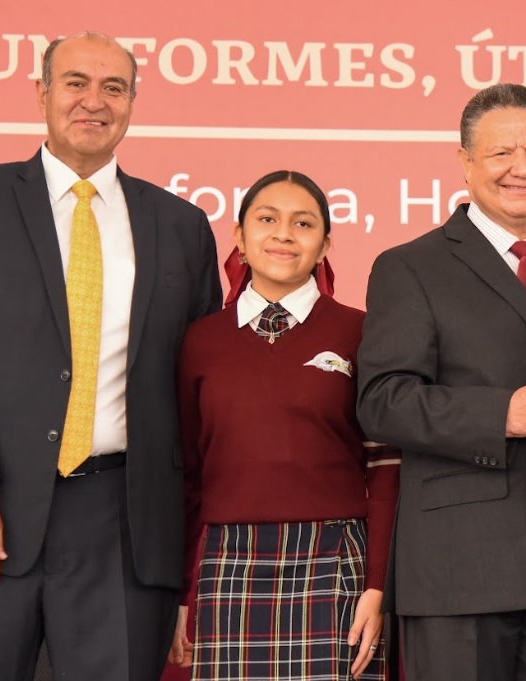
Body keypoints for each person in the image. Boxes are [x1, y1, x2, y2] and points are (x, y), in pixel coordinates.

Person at [0, 31, 221, 681]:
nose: (94, 101)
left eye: (113, 87)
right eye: (75, 82)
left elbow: (200, 382)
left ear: (132, 102)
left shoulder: (181, 225)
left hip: (126, 527)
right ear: (41, 92)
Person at [356, 83, 526, 681]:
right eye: (501, 153)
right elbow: (382, 401)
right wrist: (501, 415)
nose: (524, 167)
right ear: (465, 162)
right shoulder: (410, 266)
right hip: (460, 572)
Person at [169, 170, 400, 681]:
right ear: (239, 237)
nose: (284, 234)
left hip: (337, 560)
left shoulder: (362, 331)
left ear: (325, 246)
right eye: (267, 219)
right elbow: (186, 476)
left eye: (303, 223)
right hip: (227, 564)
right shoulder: (199, 341)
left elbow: (386, 468)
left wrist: (378, 586)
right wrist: (183, 592)